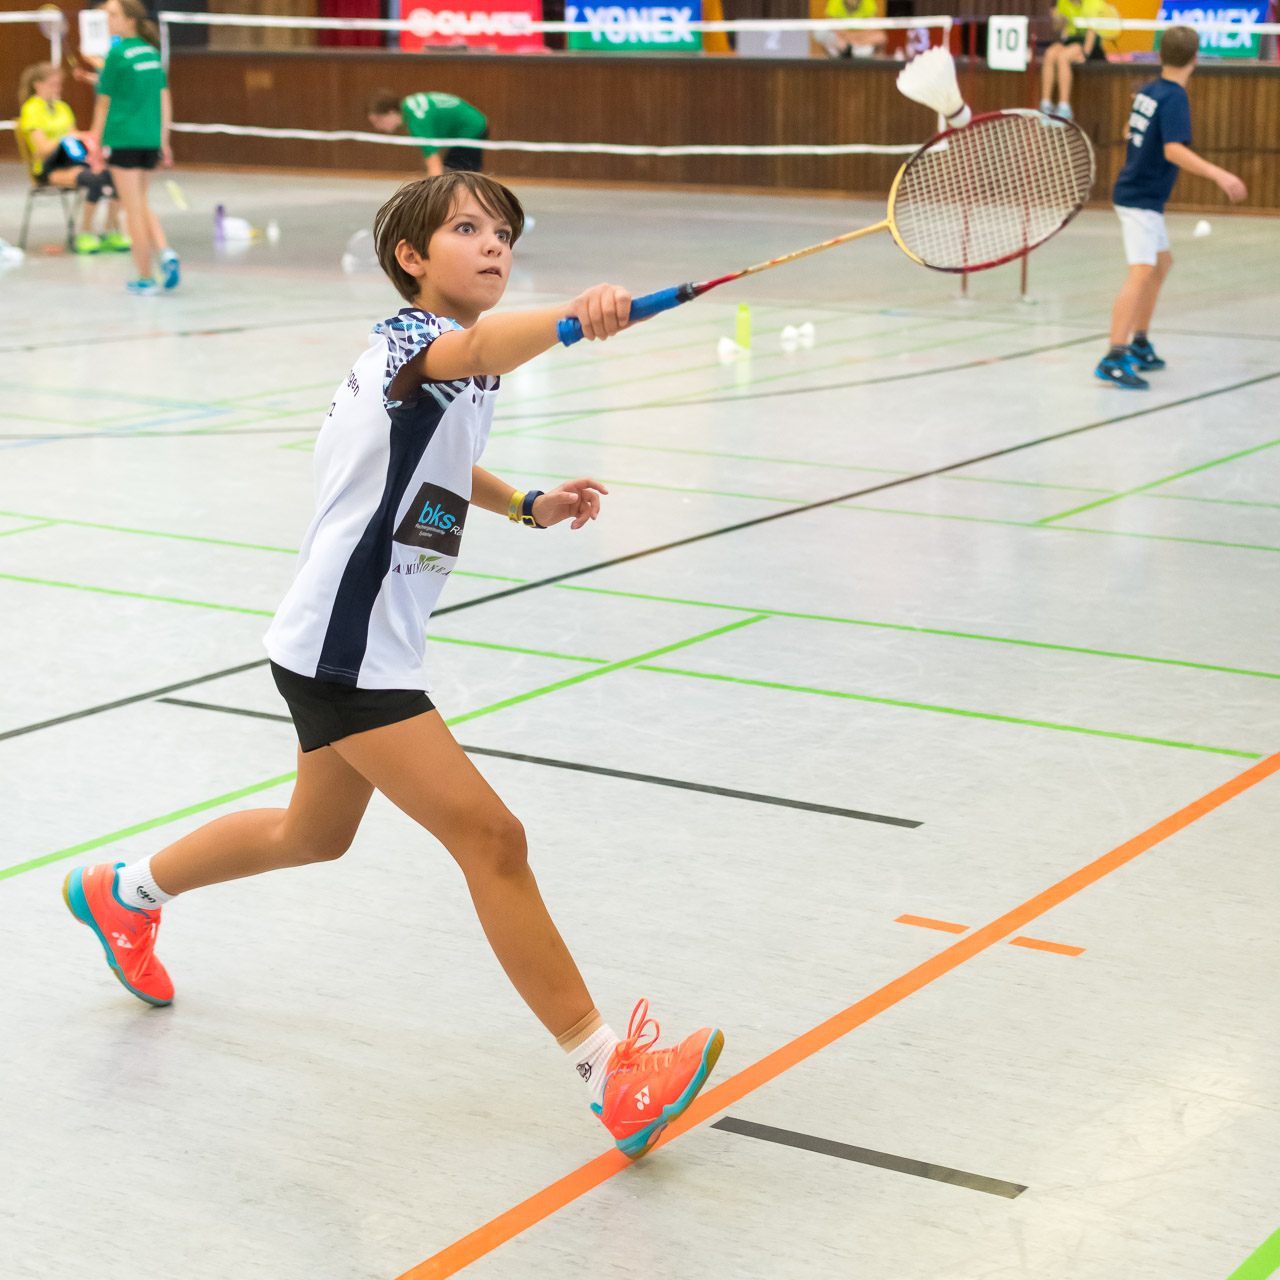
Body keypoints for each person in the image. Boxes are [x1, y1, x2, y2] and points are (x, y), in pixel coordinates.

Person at [62, 170, 724, 1162]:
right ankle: (610, 1073)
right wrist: (575, 321)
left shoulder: (445, 363)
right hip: (349, 651)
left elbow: (437, 457)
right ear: (411, 257)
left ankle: (125, 892)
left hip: (339, 639)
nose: (494, 244)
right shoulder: (419, 344)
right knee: (492, 837)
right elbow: (480, 350)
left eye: (504, 232)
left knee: (311, 834)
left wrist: (523, 503)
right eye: (468, 228)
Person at [1095, 25, 1246, 389]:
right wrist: (1219, 174)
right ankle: (1114, 356)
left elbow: (1130, 128)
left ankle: (1140, 343)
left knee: (1161, 266)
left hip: (1142, 194)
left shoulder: (1150, 91)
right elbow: (1172, 149)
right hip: (1140, 199)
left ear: (1161, 55)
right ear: (1195, 59)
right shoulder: (1175, 97)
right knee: (1141, 272)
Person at [89, 0, 180, 292]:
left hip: (123, 139)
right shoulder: (152, 54)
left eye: (113, 15)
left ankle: (145, 277)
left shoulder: (117, 54)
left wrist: (94, 140)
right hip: (149, 140)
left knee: (132, 210)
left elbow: (103, 103)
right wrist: (164, 140)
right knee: (140, 203)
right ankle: (165, 252)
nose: (108, 20)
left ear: (130, 20)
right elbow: (164, 99)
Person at [16, 61, 124, 254]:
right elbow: (41, 149)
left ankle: (110, 231)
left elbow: (75, 138)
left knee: (114, 177)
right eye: (53, 84)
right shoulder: (31, 109)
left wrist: (89, 141)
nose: (57, 88)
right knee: (95, 180)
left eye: (59, 84)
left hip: (72, 161)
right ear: (38, 85)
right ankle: (86, 233)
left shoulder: (63, 108)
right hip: (48, 167)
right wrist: (65, 138)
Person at [367, 89, 489, 177]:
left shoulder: (416, 121)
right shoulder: (409, 106)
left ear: (391, 112)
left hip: (472, 130)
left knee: (457, 178)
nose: (377, 127)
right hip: (467, 129)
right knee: (454, 177)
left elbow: (434, 166)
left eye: (378, 120)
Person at [1040, 0, 1108, 120]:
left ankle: (1064, 107)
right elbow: (1059, 28)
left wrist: (1085, 54)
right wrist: (1057, 19)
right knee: (1050, 53)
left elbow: (1092, 30)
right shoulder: (1062, 2)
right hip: (1071, 40)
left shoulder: (1094, 3)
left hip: (1091, 44)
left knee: (1063, 56)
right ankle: (1046, 104)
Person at [818, 0, 887, 58]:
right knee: (820, 33)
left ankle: (854, 49)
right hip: (841, 38)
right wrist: (847, 38)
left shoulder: (868, 2)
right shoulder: (835, 2)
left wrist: (853, 39)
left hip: (861, 40)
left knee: (881, 37)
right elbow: (832, 24)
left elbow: (874, 25)